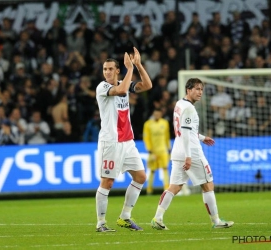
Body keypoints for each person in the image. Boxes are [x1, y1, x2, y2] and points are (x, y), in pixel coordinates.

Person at [151, 78, 234, 230]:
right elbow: (187, 133)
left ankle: (157, 218)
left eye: (201, 89)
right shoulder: (189, 108)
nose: (200, 92)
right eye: (196, 89)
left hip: (177, 150)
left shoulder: (179, 104)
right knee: (208, 185)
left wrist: (202, 137)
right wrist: (189, 156)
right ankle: (216, 221)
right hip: (192, 152)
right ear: (188, 90)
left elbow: (185, 130)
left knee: (174, 187)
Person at [95, 47, 152, 232]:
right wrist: (129, 70)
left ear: (117, 70)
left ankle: (125, 217)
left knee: (141, 176)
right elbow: (121, 90)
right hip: (110, 142)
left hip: (127, 142)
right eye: (105, 69)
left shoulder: (124, 82)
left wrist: (138, 65)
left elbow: (147, 85)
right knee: (107, 182)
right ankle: (101, 223)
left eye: (110, 69)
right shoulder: (103, 87)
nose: (107, 72)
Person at [143, 108, 171, 195]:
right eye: (155, 114)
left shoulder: (165, 123)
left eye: (158, 114)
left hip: (163, 150)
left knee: (165, 168)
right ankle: (149, 190)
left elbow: (167, 136)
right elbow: (146, 138)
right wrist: (149, 149)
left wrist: (169, 147)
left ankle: (166, 188)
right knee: (152, 170)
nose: (157, 115)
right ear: (153, 114)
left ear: (161, 114)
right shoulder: (148, 124)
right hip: (153, 151)